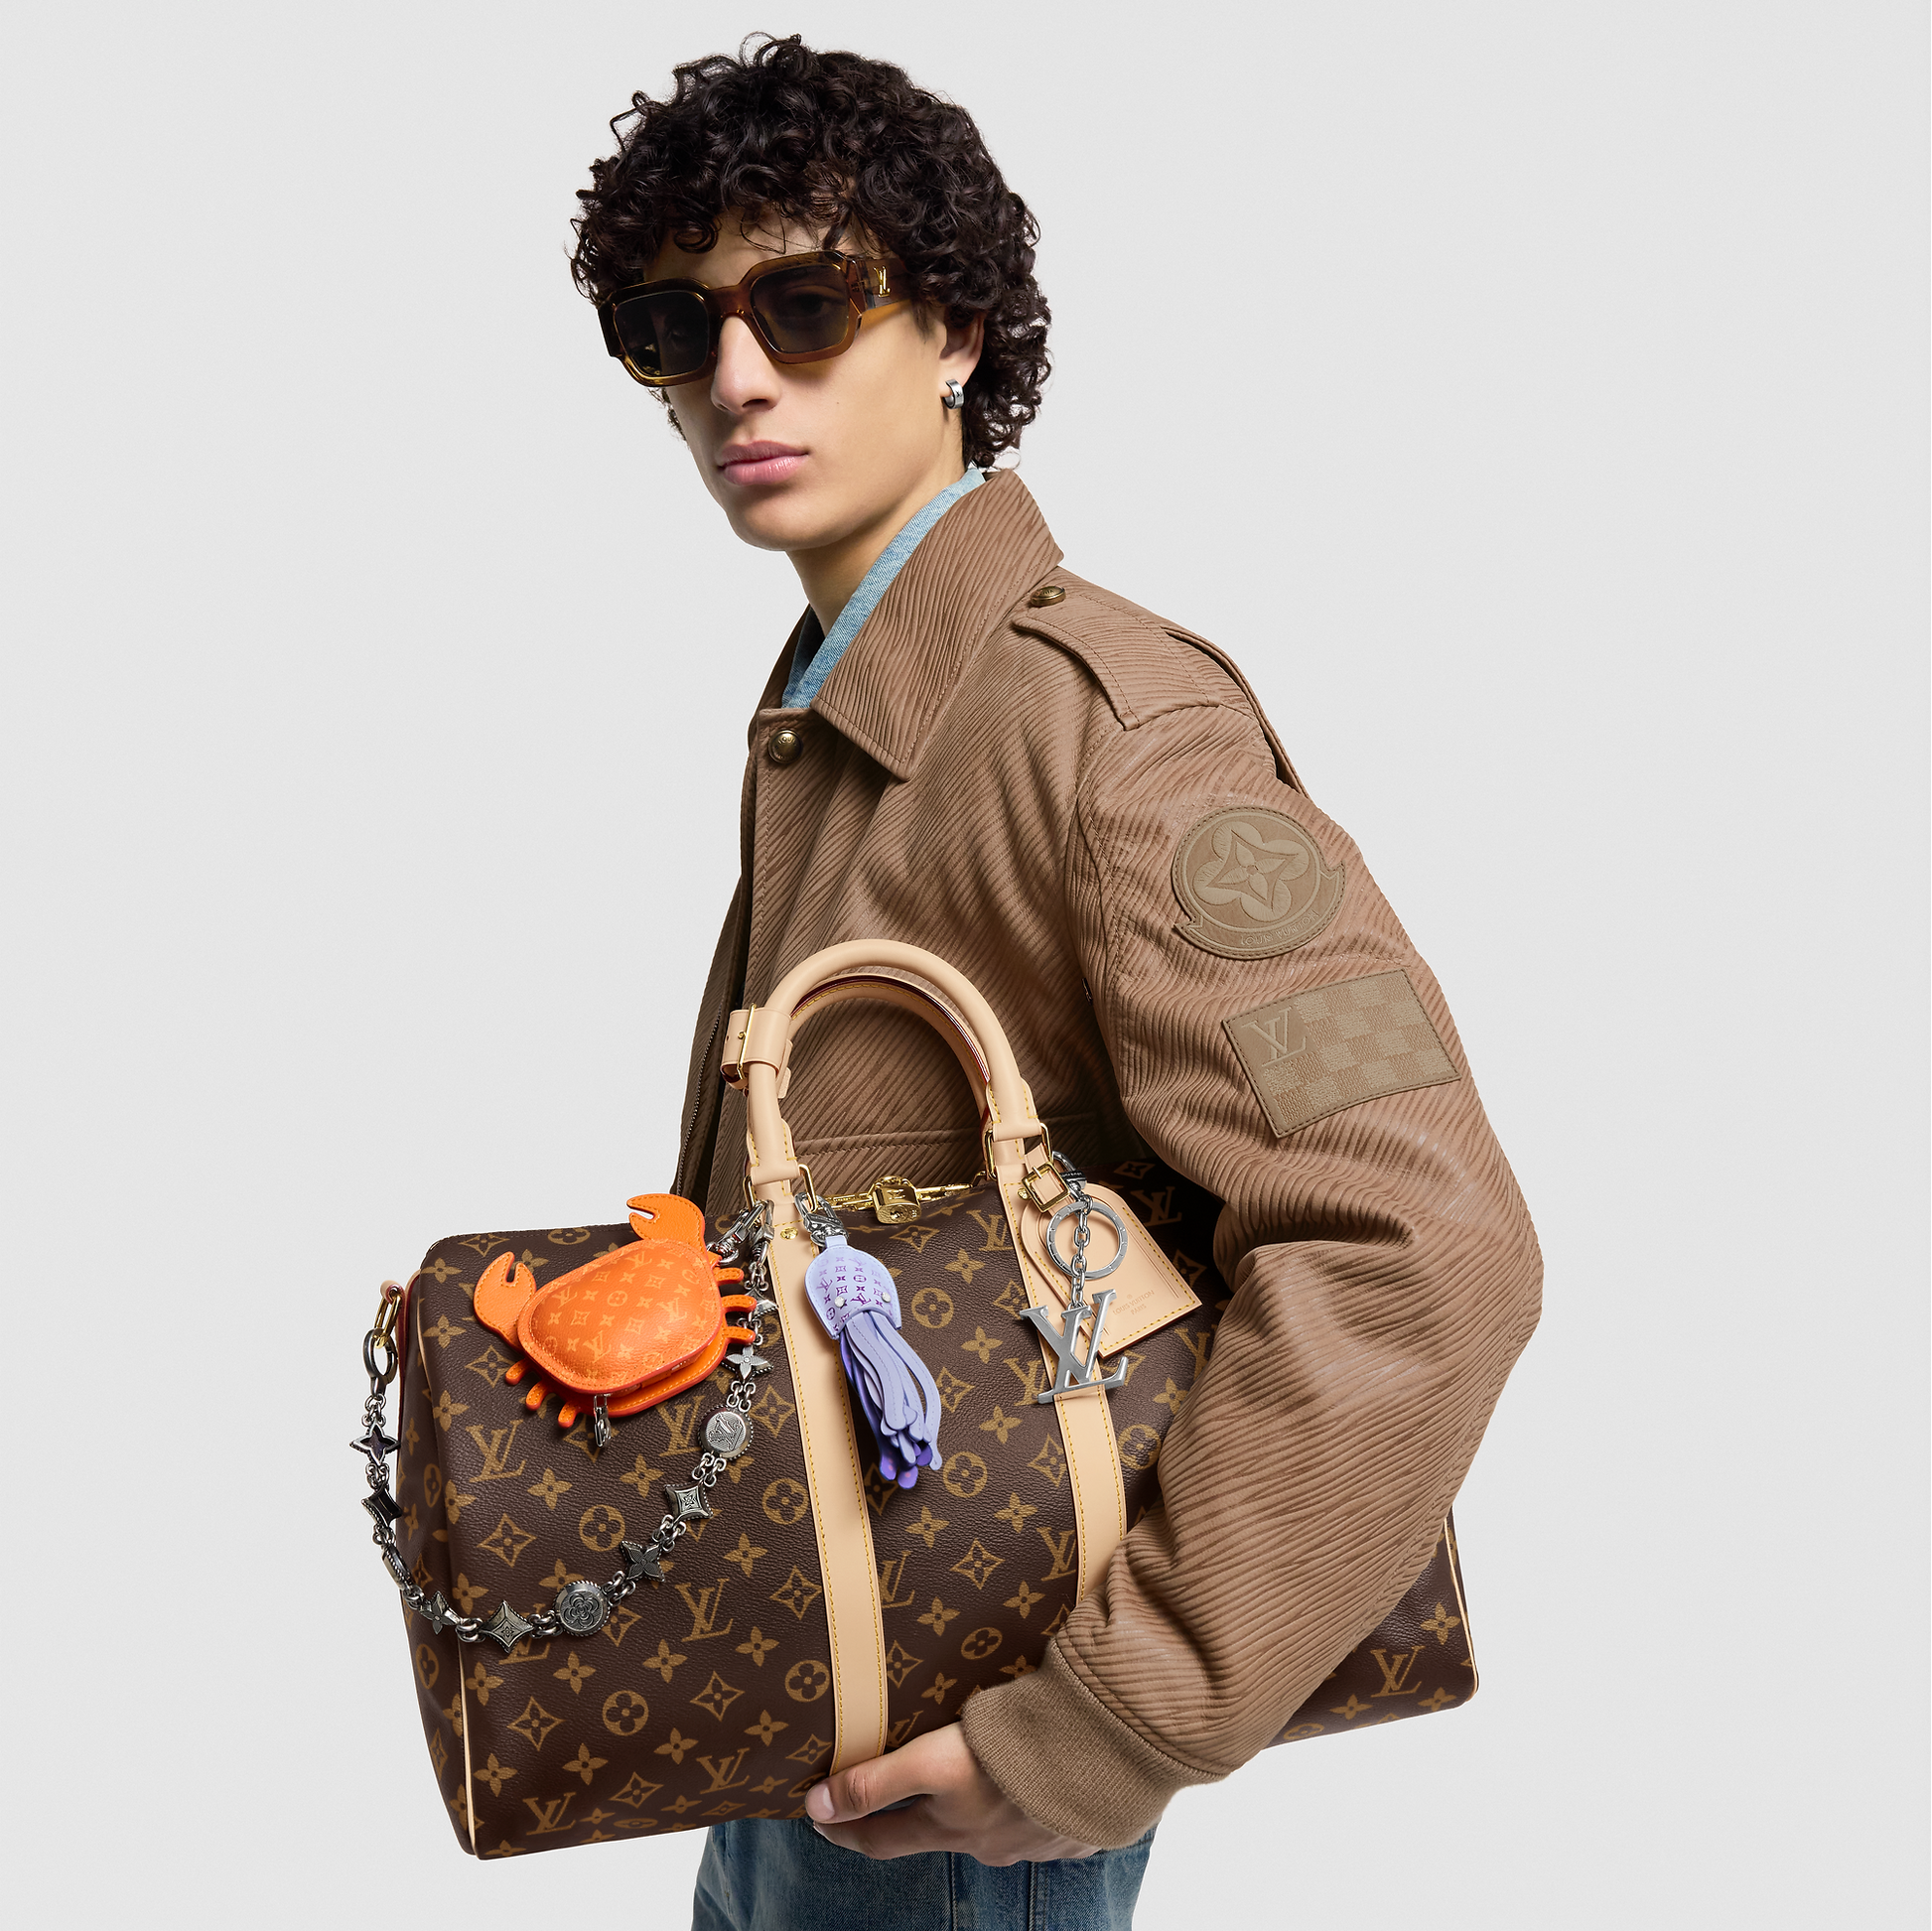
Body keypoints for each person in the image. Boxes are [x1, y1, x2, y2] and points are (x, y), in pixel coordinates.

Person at [570, 35, 1540, 1930]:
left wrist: (1116, 1718)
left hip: (982, 1763)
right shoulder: (842, 715)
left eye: (806, 302)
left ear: (951, 329)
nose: (736, 375)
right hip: (824, 1699)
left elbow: (1424, 1237)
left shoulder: (1113, 735)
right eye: (675, 327)